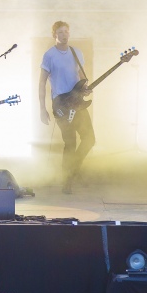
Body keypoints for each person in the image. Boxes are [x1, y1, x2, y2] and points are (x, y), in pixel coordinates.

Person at [39, 21, 95, 194]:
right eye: (60, 32)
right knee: (70, 143)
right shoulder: (49, 55)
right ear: (54, 35)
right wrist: (42, 108)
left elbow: (80, 77)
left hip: (77, 103)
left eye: (66, 31)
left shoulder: (76, 52)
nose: (64, 35)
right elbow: (41, 82)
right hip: (61, 104)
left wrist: (85, 89)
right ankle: (67, 180)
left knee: (90, 139)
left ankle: (72, 170)